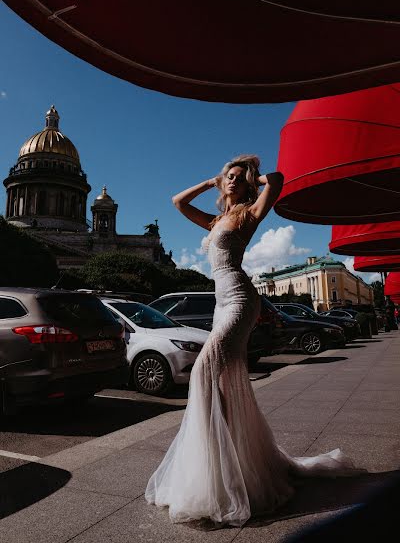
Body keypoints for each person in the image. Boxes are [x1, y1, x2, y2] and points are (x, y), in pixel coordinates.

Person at [145, 154, 363, 527]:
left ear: (247, 184)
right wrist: (211, 180)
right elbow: (177, 202)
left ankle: (227, 464)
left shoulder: (248, 214)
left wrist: (254, 178)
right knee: (222, 383)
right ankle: (229, 463)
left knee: (202, 373)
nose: (231, 182)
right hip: (220, 303)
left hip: (241, 300)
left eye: (237, 178)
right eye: (228, 177)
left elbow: (276, 180)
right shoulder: (215, 220)